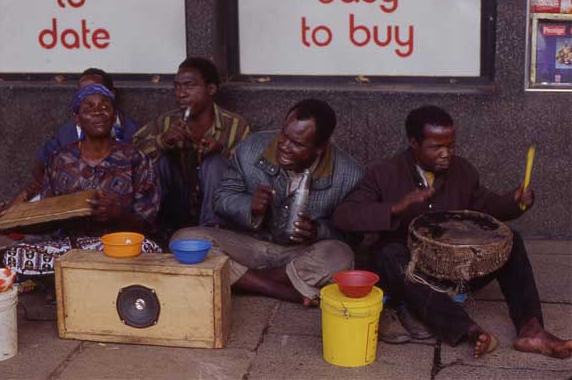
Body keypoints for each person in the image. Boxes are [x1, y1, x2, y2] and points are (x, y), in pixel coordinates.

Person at [332, 105, 572, 359]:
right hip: (410, 272)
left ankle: (531, 330)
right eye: (436, 147)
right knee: (390, 255)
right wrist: (395, 208)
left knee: (512, 240)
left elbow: (487, 208)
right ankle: (468, 330)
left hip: (455, 270)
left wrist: (515, 202)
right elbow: (343, 215)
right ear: (413, 142)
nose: (446, 154)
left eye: (451, 145)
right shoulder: (384, 174)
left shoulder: (462, 171)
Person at [170, 99, 363, 306]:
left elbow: (352, 236)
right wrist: (249, 206)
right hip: (248, 245)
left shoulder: (349, 174)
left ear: (320, 147)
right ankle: (282, 290)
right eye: (283, 136)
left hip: (300, 254)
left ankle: (240, 279)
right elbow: (221, 198)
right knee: (183, 239)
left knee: (341, 256)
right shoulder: (251, 148)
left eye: (297, 144)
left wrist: (318, 231)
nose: (284, 147)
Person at [2, 84, 161, 279]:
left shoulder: (135, 158)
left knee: (149, 249)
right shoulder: (59, 159)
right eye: (89, 108)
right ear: (77, 119)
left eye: (104, 107)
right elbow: (49, 219)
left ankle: (65, 278)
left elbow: (147, 224)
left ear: (113, 116)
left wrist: (118, 214)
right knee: (15, 255)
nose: (97, 112)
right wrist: (15, 222)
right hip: (70, 249)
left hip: (119, 246)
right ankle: (76, 274)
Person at [133, 57, 250, 232]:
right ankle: (158, 230)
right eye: (177, 87)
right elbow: (131, 153)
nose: (181, 93)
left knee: (214, 163)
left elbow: (251, 171)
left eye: (189, 86)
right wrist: (162, 141)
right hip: (176, 207)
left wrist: (221, 151)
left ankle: (211, 233)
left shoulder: (235, 125)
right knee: (164, 161)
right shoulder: (166, 122)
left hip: (218, 209)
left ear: (211, 89)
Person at [6, 68, 139, 210]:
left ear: (111, 94)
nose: (95, 108)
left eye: (97, 91)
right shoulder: (67, 134)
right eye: (83, 94)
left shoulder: (134, 132)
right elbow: (41, 165)